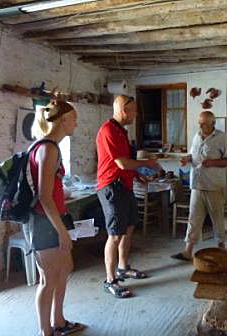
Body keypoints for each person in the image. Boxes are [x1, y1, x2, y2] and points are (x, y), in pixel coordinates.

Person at [29, 100, 85, 336]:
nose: (76, 123)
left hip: (53, 218)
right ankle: (46, 331)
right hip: (44, 222)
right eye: (73, 118)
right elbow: (43, 196)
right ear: (63, 120)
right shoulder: (48, 148)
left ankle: (59, 321)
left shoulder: (51, 147)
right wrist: (61, 231)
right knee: (48, 279)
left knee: (64, 269)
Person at [96, 95, 160, 298]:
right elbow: (122, 163)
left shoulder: (121, 131)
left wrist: (137, 174)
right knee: (114, 234)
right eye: (132, 110)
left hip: (125, 185)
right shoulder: (108, 130)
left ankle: (123, 267)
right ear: (122, 110)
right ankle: (110, 280)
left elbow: (125, 164)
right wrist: (147, 164)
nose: (135, 114)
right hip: (111, 188)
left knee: (129, 227)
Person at [171, 111, 227, 261]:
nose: (200, 125)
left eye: (204, 123)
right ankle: (188, 251)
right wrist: (186, 159)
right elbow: (194, 156)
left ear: (213, 123)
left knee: (217, 218)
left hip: (214, 186)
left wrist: (212, 162)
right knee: (194, 219)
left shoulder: (222, 137)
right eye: (199, 122)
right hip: (197, 185)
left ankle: (222, 248)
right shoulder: (197, 136)